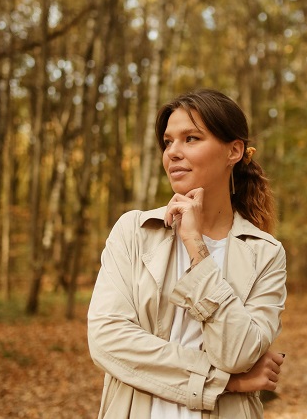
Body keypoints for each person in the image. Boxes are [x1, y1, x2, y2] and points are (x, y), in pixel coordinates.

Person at [88, 89, 287, 419]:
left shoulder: (264, 254)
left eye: (191, 138)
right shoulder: (134, 232)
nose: (173, 153)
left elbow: (238, 353)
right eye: (168, 142)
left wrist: (196, 246)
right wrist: (222, 381)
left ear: (234, 151)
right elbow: (108, 341)